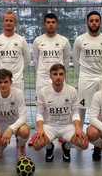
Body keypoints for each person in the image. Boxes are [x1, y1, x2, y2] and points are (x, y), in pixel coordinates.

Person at [31, 63, 89, 163]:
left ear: (64, 75)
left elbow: (75, 113)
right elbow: (39, 113)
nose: (58, 77)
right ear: (50, 75)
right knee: (36, 144)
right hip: (49, 125)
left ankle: (66, 147)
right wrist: (40, 129)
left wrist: (78, 128)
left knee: (84, 144)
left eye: (61, 74)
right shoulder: (43, 92)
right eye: (55, 74)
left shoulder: (72, 91)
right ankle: (49, 147)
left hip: (66, 125)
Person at [30, 12, 71, 145]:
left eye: (53, 22)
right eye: (48, 22)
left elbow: (65, 61)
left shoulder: (64, 40)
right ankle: (40, 133)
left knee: (60, 105)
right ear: (44, 24)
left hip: (58, 78)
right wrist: (44, 73)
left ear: (56, 24)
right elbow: (36, 60)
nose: (51, 24)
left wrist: (58, 74)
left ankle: (62, 133)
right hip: (42, 78)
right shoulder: (38, 41)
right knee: (41, 107)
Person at [73, 11, 102, 147]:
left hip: (100, 78)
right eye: (91, 20)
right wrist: (84, 74)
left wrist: (100, 73)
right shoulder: (80, 40)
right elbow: (75, 60)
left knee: (100, 109)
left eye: (96, 20)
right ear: (87, 22)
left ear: (100, 22)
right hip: (85, 78)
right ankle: (79, 136)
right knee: (81, 109)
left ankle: (100, 136)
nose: (94, 23)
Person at [0, 69, 30, 161]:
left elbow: (23, 117)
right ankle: (0, 145)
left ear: (11, 82)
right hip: (1, 123)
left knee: (25, 131)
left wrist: (10, 129)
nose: (2, 85)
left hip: (16, 123)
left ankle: (20, 146)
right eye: (0, 82)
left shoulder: (18, 93)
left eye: (6, 82)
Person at [0, 10, 31, 92]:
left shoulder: (21, 40)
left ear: (15, 23)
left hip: (17, 80)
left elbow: (27, 59)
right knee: (1, 104)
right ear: (3, 22)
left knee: (17, 104)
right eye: (6, 20)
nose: (8, 23)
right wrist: (0, 70)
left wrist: (18, 70)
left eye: (11, 20)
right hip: (1, 81)